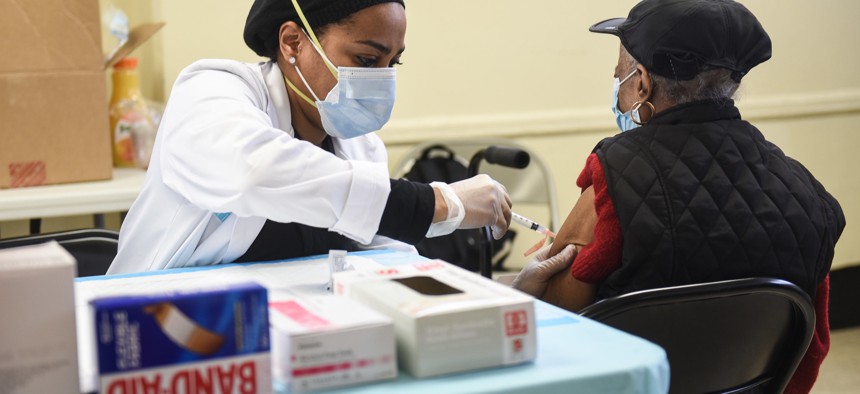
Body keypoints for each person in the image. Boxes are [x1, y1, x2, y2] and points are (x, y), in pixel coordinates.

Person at [512, 1, 845, 393]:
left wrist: (516, 292)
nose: (616, 81)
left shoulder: (616, 175)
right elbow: (808, 352)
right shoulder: (808, 195)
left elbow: (555, 318)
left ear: (641, 83)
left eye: (618, 73)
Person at [108, 0, 516, 274]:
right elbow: (253, 171)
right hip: (162, 326)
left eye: (394, 62)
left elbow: (386, 259)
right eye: (367, 59)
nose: (382, 78)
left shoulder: (359, 145)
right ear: (293, 42)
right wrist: (440, 202)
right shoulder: (212, 90)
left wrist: (508, 292)